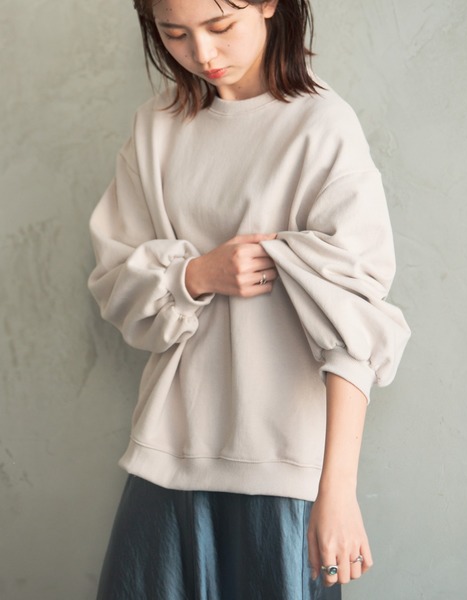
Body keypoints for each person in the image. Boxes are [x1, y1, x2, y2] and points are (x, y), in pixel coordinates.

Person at [88, 0, 411, 598]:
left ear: (267, 4)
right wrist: (196, 275)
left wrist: (336, 492)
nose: (202, 54)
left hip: (283, 475)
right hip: (168, 457)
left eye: (219, 27)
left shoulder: (321, 126)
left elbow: (355, 326)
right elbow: (115, 284)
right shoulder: (154, 127)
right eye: (175, 34)